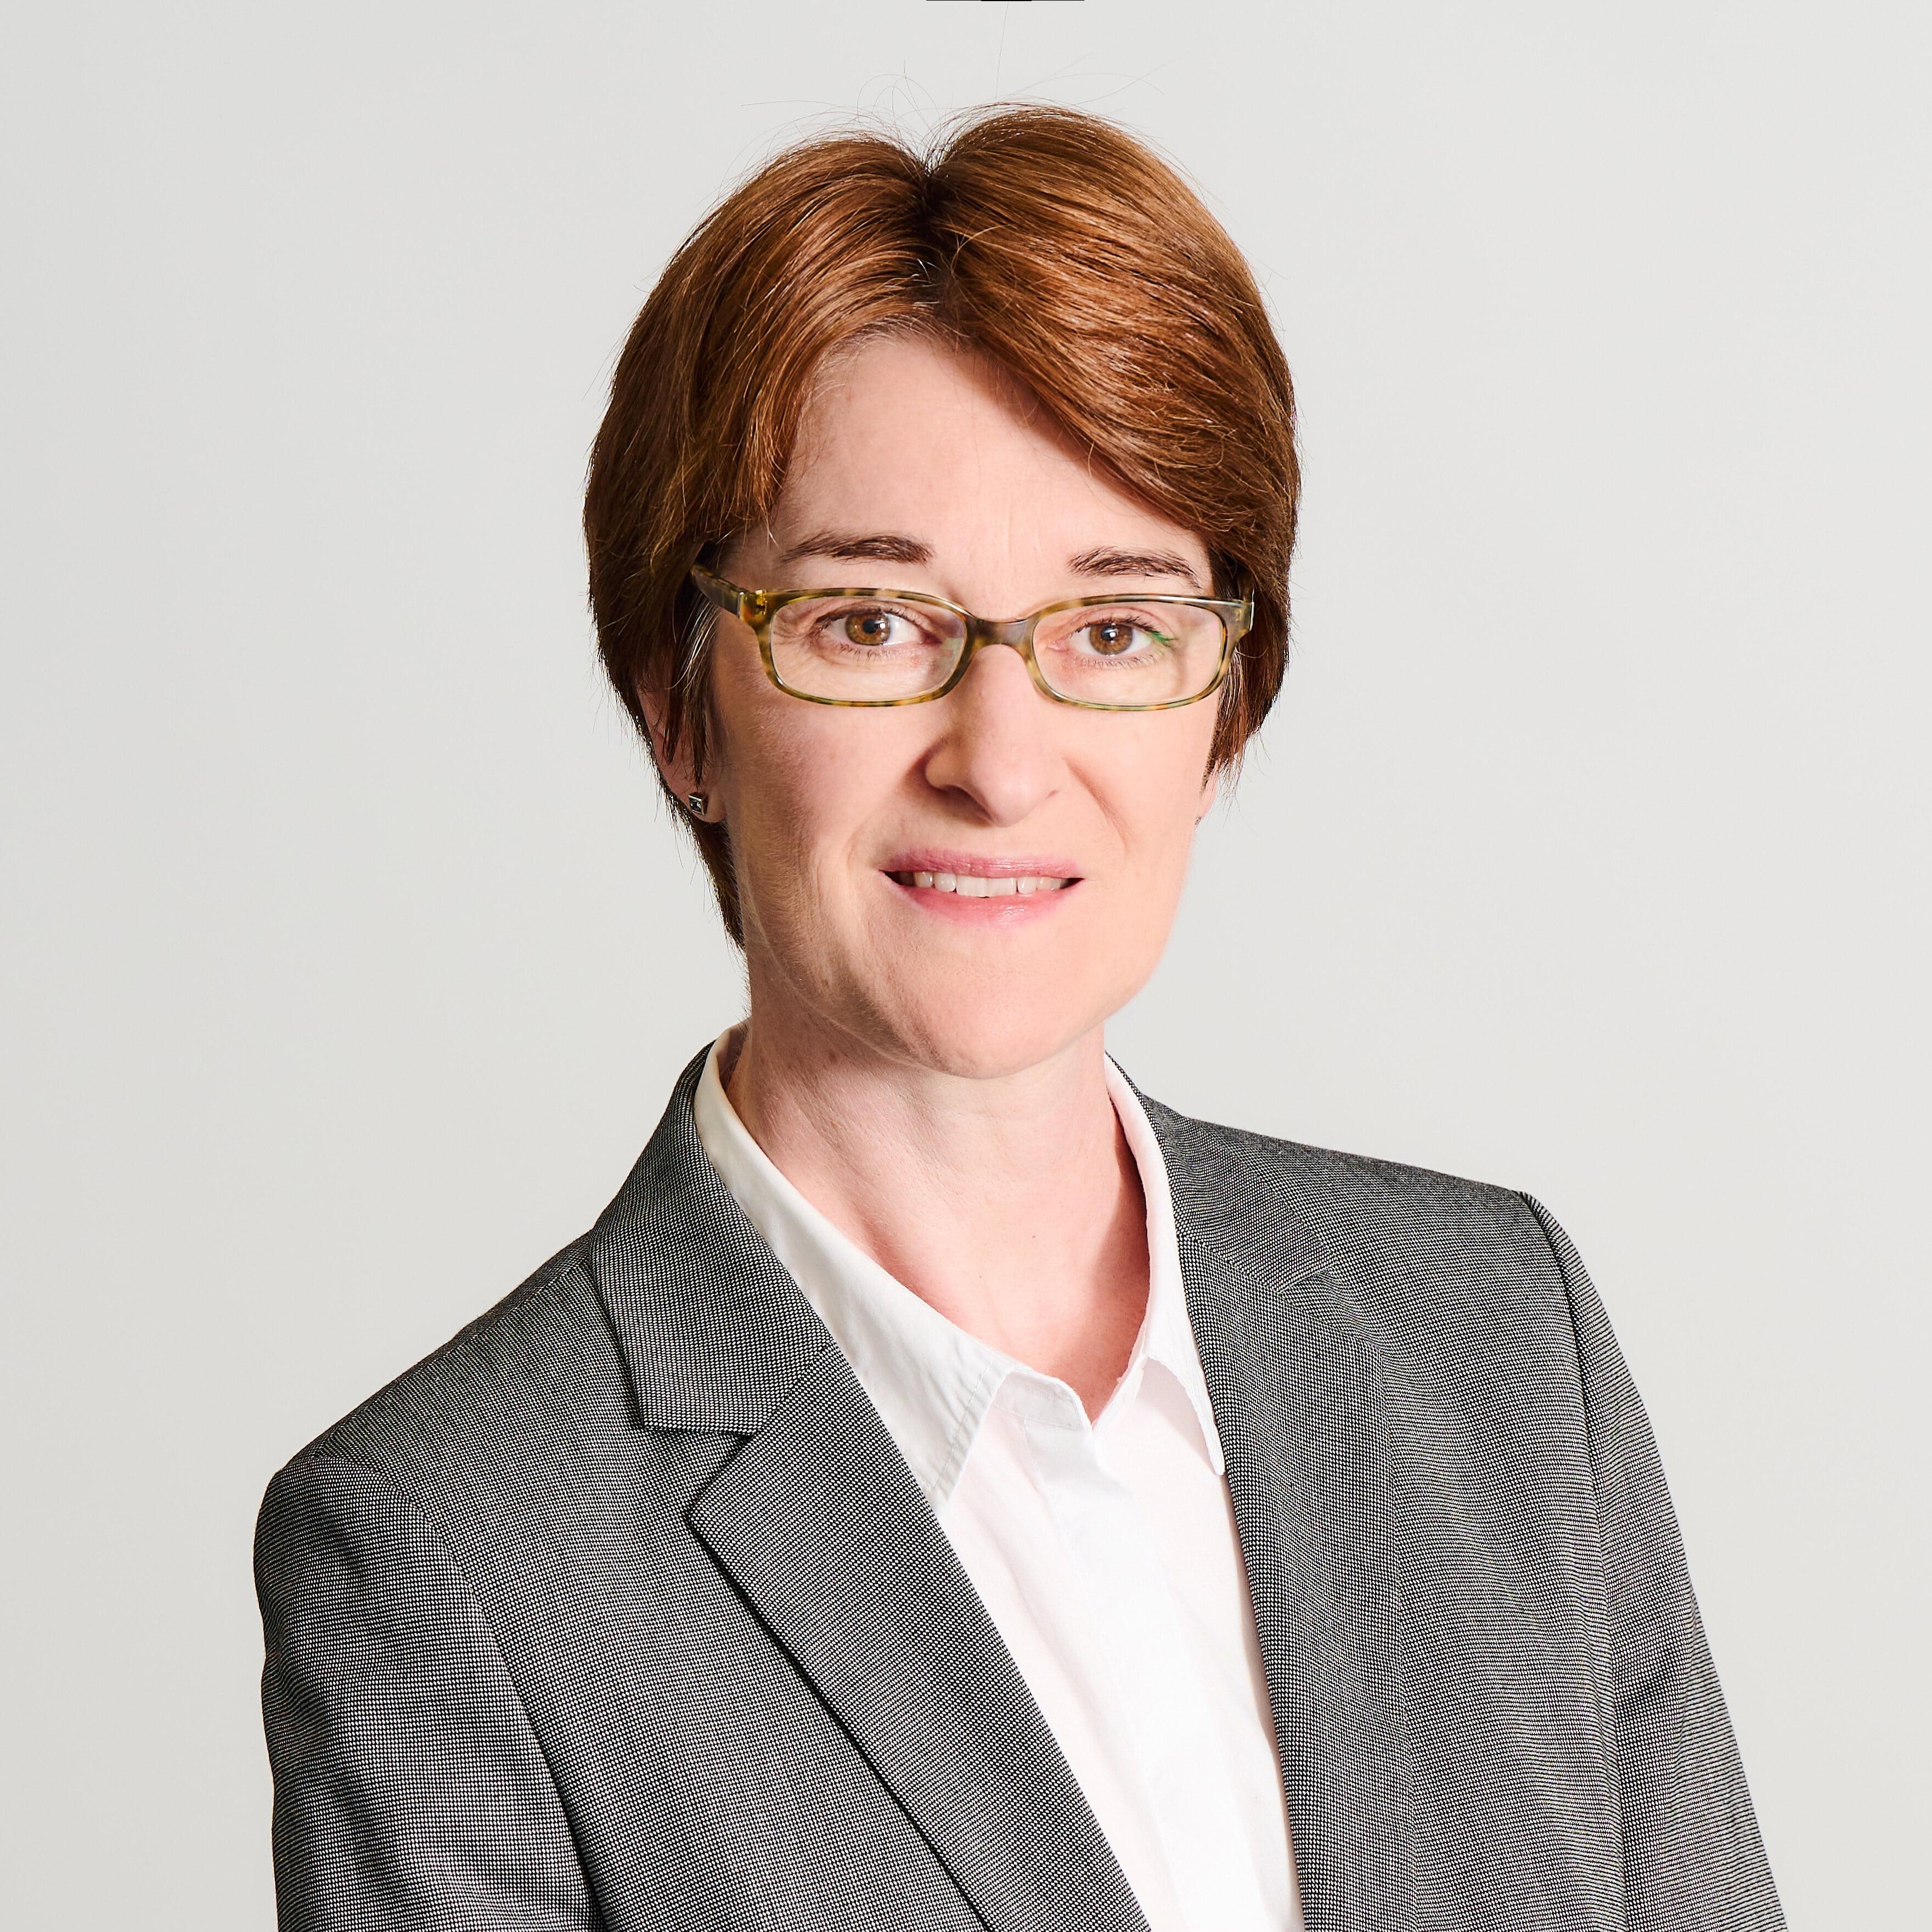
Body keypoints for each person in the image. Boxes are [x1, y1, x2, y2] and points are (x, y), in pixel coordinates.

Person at [254, 107, 1784, 1932]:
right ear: (678, 705)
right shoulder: (457, 1546)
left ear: (1219, 709)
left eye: (1115, 630)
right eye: (871, 621)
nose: (998, 759)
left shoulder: (1496, 1345)